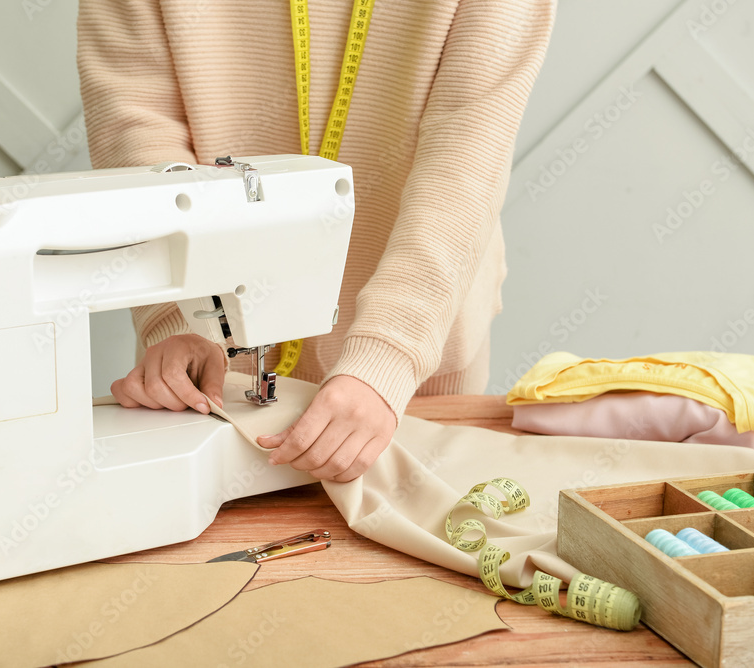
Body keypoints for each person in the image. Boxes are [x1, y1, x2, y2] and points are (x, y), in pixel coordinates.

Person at [77, 0, 555, 481]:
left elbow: (466, 160)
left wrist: (387, 357)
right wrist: (177, 318)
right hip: (199, 364)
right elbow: (135, 125)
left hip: (415, 364)